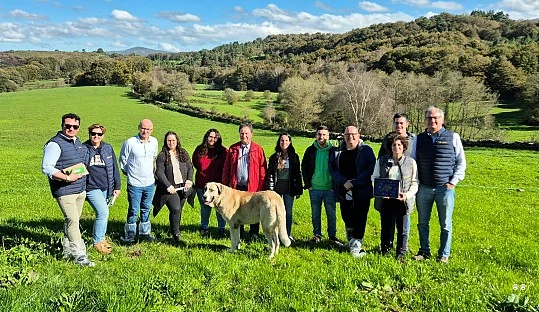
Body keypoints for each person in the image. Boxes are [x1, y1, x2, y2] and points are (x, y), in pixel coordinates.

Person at [411, 106, 466, 263]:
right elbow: (413, 161)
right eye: (429, 118)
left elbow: (461, 162)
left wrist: (453, 182)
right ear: (425, 120)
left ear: (442, 120)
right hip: (424, 188)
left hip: (444, 188)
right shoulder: (419, 139)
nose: (432, 121)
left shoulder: (453, 137)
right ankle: (424, 251)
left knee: (446, 224)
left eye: (435, 118)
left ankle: (444, 254)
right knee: (422, 222)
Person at [42, 113, 94, 267]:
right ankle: (80, 255)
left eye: (75, 126)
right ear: (62, 126)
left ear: (79, 128)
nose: (71, 129)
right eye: (68, 126)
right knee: (73, 221)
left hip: (79, 189)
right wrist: (66, 178)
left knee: (72, 221)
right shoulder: (55, 144)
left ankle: (67, 250)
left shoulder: (77, 142)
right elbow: (47, 168)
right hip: (64, 190)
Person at [329, 126, 376, 258]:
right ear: (344, 136)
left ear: (359, 135)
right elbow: (332, 169)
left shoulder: (366, 150)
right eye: (347, 134)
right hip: (344, 190)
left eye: (353, 134)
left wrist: (354, 182)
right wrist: (343, 182)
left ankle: (356, 245)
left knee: (360, 218)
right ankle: (350, 241)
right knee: (347, 216)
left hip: (362, 190)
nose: (350, 137)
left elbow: (370, 168)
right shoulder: (338, 151)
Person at [372, 133, 418, 260]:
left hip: (402, 200)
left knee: (402, 229)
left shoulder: (411, 162)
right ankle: (385, 251)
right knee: (386, 227)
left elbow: (415, 182)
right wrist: (381, 192)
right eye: (394, 145)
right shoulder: (382, 161)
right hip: (386, 200)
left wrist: (407, 195)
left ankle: (401, 254)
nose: (396, 147)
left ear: (404, 147)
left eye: (399, 145)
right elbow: (374, 177)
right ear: (390, 147)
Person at [377, 112, 416, 253]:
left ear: (407, 124)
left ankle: (402, 248)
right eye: (396, 123)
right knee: (387, 222)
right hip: (388, 189)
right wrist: (382, 189)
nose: (398, 125)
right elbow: (380, 162)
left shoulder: (414, 141)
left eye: (401, 123)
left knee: (403, 221)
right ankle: (387, 246)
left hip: (405, 188)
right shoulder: (387, 140)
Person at [222, 123, 267, 240]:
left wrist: (261, 186)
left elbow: (262, 170)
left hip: (253, 186)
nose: (244, 136)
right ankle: (239, 232)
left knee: (254, 208)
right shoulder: (233, 149)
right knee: (237, 209)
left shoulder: (258, 149)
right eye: (242, 133)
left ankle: (254, 233)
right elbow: (227, 168)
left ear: (251, 134)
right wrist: (225, 185)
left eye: (246, 133)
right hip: (236, 186)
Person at [83, 124, 121, 255]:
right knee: (103, 212)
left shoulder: (107, 148)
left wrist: (117, 186)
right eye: (93, 133)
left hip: (106, 186)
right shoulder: (83, 148)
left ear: (103, 135)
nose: (96, 136)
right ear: (89, 134)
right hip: (91, 187)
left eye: (99, 134)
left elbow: (114, 167)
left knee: (104, 214)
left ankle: (102, 239)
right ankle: (97, 242)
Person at [119, 119, 158, 243]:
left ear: (152, 130)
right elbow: (123, 161)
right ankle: (130, 235)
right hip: (135, 183)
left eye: (148, 129)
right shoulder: (130, 143)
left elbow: (154, 159)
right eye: (143, 128)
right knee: (134, 210)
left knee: (146, 208)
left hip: (150, 183)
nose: (145, 131)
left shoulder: (154, 142)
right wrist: (130, 173)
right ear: (138, 128)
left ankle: (145, 233)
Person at [301, 125, 340, 245]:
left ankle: (332, 236)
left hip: (329, 189)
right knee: (315, 214)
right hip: (315, 188)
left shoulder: (334, 151)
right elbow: (305, 167)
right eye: (319, 134)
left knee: (331, 215)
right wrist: (309, 185)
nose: (321, 137)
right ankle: (317, 235)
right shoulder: (310, 150)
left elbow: (338, 169)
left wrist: (334, 186)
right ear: (316, 136)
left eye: (324, 134)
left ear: (328, 136)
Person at [153, 131, 194, 244]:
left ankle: (175, 228)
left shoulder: (183, 153)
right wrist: (168, 186)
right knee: (175, 208)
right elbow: (159, 172)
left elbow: (190, 168)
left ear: (177, 141)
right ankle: (176, 235)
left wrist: (189, 180)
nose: (171, 142)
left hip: (184, 187)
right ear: (166, 142)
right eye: (169, 140)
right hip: (170, 188)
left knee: (179, 209)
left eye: (173, 140)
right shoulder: (162, 155)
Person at [267, 133, 303, 241]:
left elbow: (297, 174)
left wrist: (298, 189)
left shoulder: (294, 157)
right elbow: (270, 174)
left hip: (289, 187)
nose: (284, 143)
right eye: (282, 141)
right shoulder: (274, 157)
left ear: (290, 142)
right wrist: (270, 189)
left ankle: (287, 234)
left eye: (286, 140)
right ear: (279, 142)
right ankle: (275, 235)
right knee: (275, 212)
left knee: (288, 212)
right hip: (277, 189)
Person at [192, 129, 227, 237]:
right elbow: (195, 163)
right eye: (210, 137)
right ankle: (204, 227)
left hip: (218, 187)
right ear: (206, 137)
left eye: (215, 137)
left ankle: (221, 228)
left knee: (220, 208)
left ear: (219, 139)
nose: (212, 139)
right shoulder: (199, 150)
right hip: (202, 184)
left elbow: (227, 166)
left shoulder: (224, 152)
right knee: (205, 206)